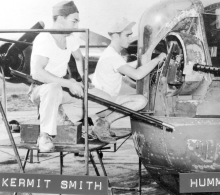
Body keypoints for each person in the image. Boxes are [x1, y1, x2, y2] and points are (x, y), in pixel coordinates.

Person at [29, 1, 112, 152]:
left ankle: (80, 119)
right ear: (60, 19)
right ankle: (45, 135)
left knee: (106, 100)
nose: (76, 25)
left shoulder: (71, 38)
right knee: (52, 87)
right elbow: (37, 73)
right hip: (40, 90)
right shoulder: (44, 39)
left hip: (62, 90)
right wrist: (69, 83)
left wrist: (84, 78)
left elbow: (80, 58)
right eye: (74, 21)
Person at [92, 18, 166, 140]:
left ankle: (101, 123)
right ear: (116, 36)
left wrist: (144, 60)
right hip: (102, 105)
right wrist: (157, 59)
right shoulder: (112, 56)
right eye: (127, 35)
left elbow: (126, 68)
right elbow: (136, 74)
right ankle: (104, 124)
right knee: (141, 101)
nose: (130, 38)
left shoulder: (111, 53)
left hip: (102, 102)